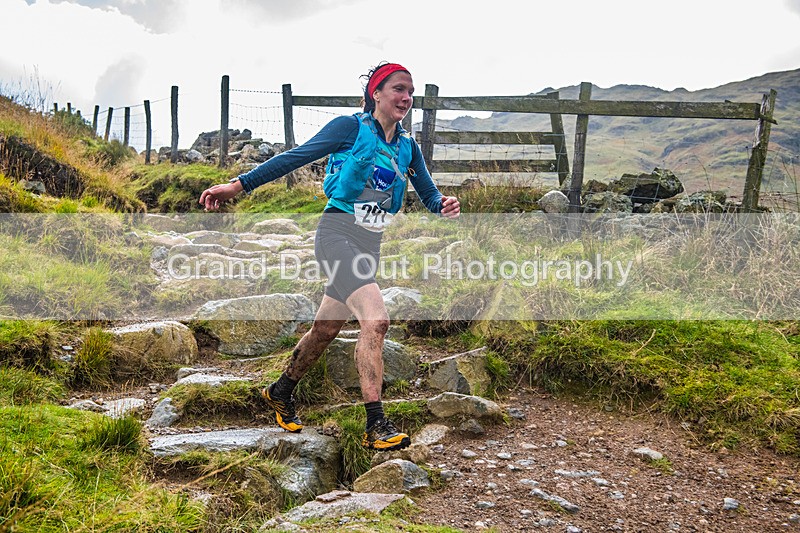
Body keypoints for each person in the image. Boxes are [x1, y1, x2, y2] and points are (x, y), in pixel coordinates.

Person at [199, 62, 460, 451]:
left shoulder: (407, 146)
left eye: (410, 92)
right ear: (377, 93)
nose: (406, 97)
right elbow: (295, 157)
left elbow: (427, 191)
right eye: (398, 89)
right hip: (336, 234)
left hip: (370, 243)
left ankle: (280, 390)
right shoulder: (348, 128)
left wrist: (442, 204)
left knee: (325, 328)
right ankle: (376, 425)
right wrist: (238, 185)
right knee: (377, 320)